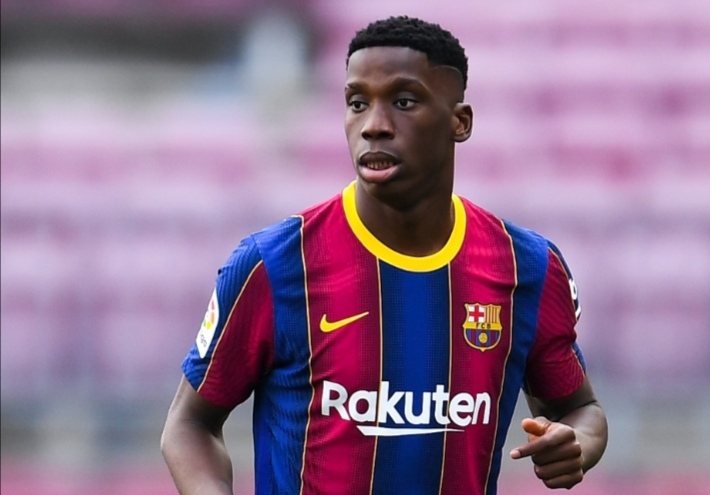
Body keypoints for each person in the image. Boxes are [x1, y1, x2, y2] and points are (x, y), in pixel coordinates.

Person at [161, 15, 608, 495]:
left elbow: (579, 409)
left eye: (404, 101)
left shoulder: (527, 267)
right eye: (358, 103)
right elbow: (189, 424)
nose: (374, 126)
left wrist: (577, 444)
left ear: (460, 122)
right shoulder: (274, 264)